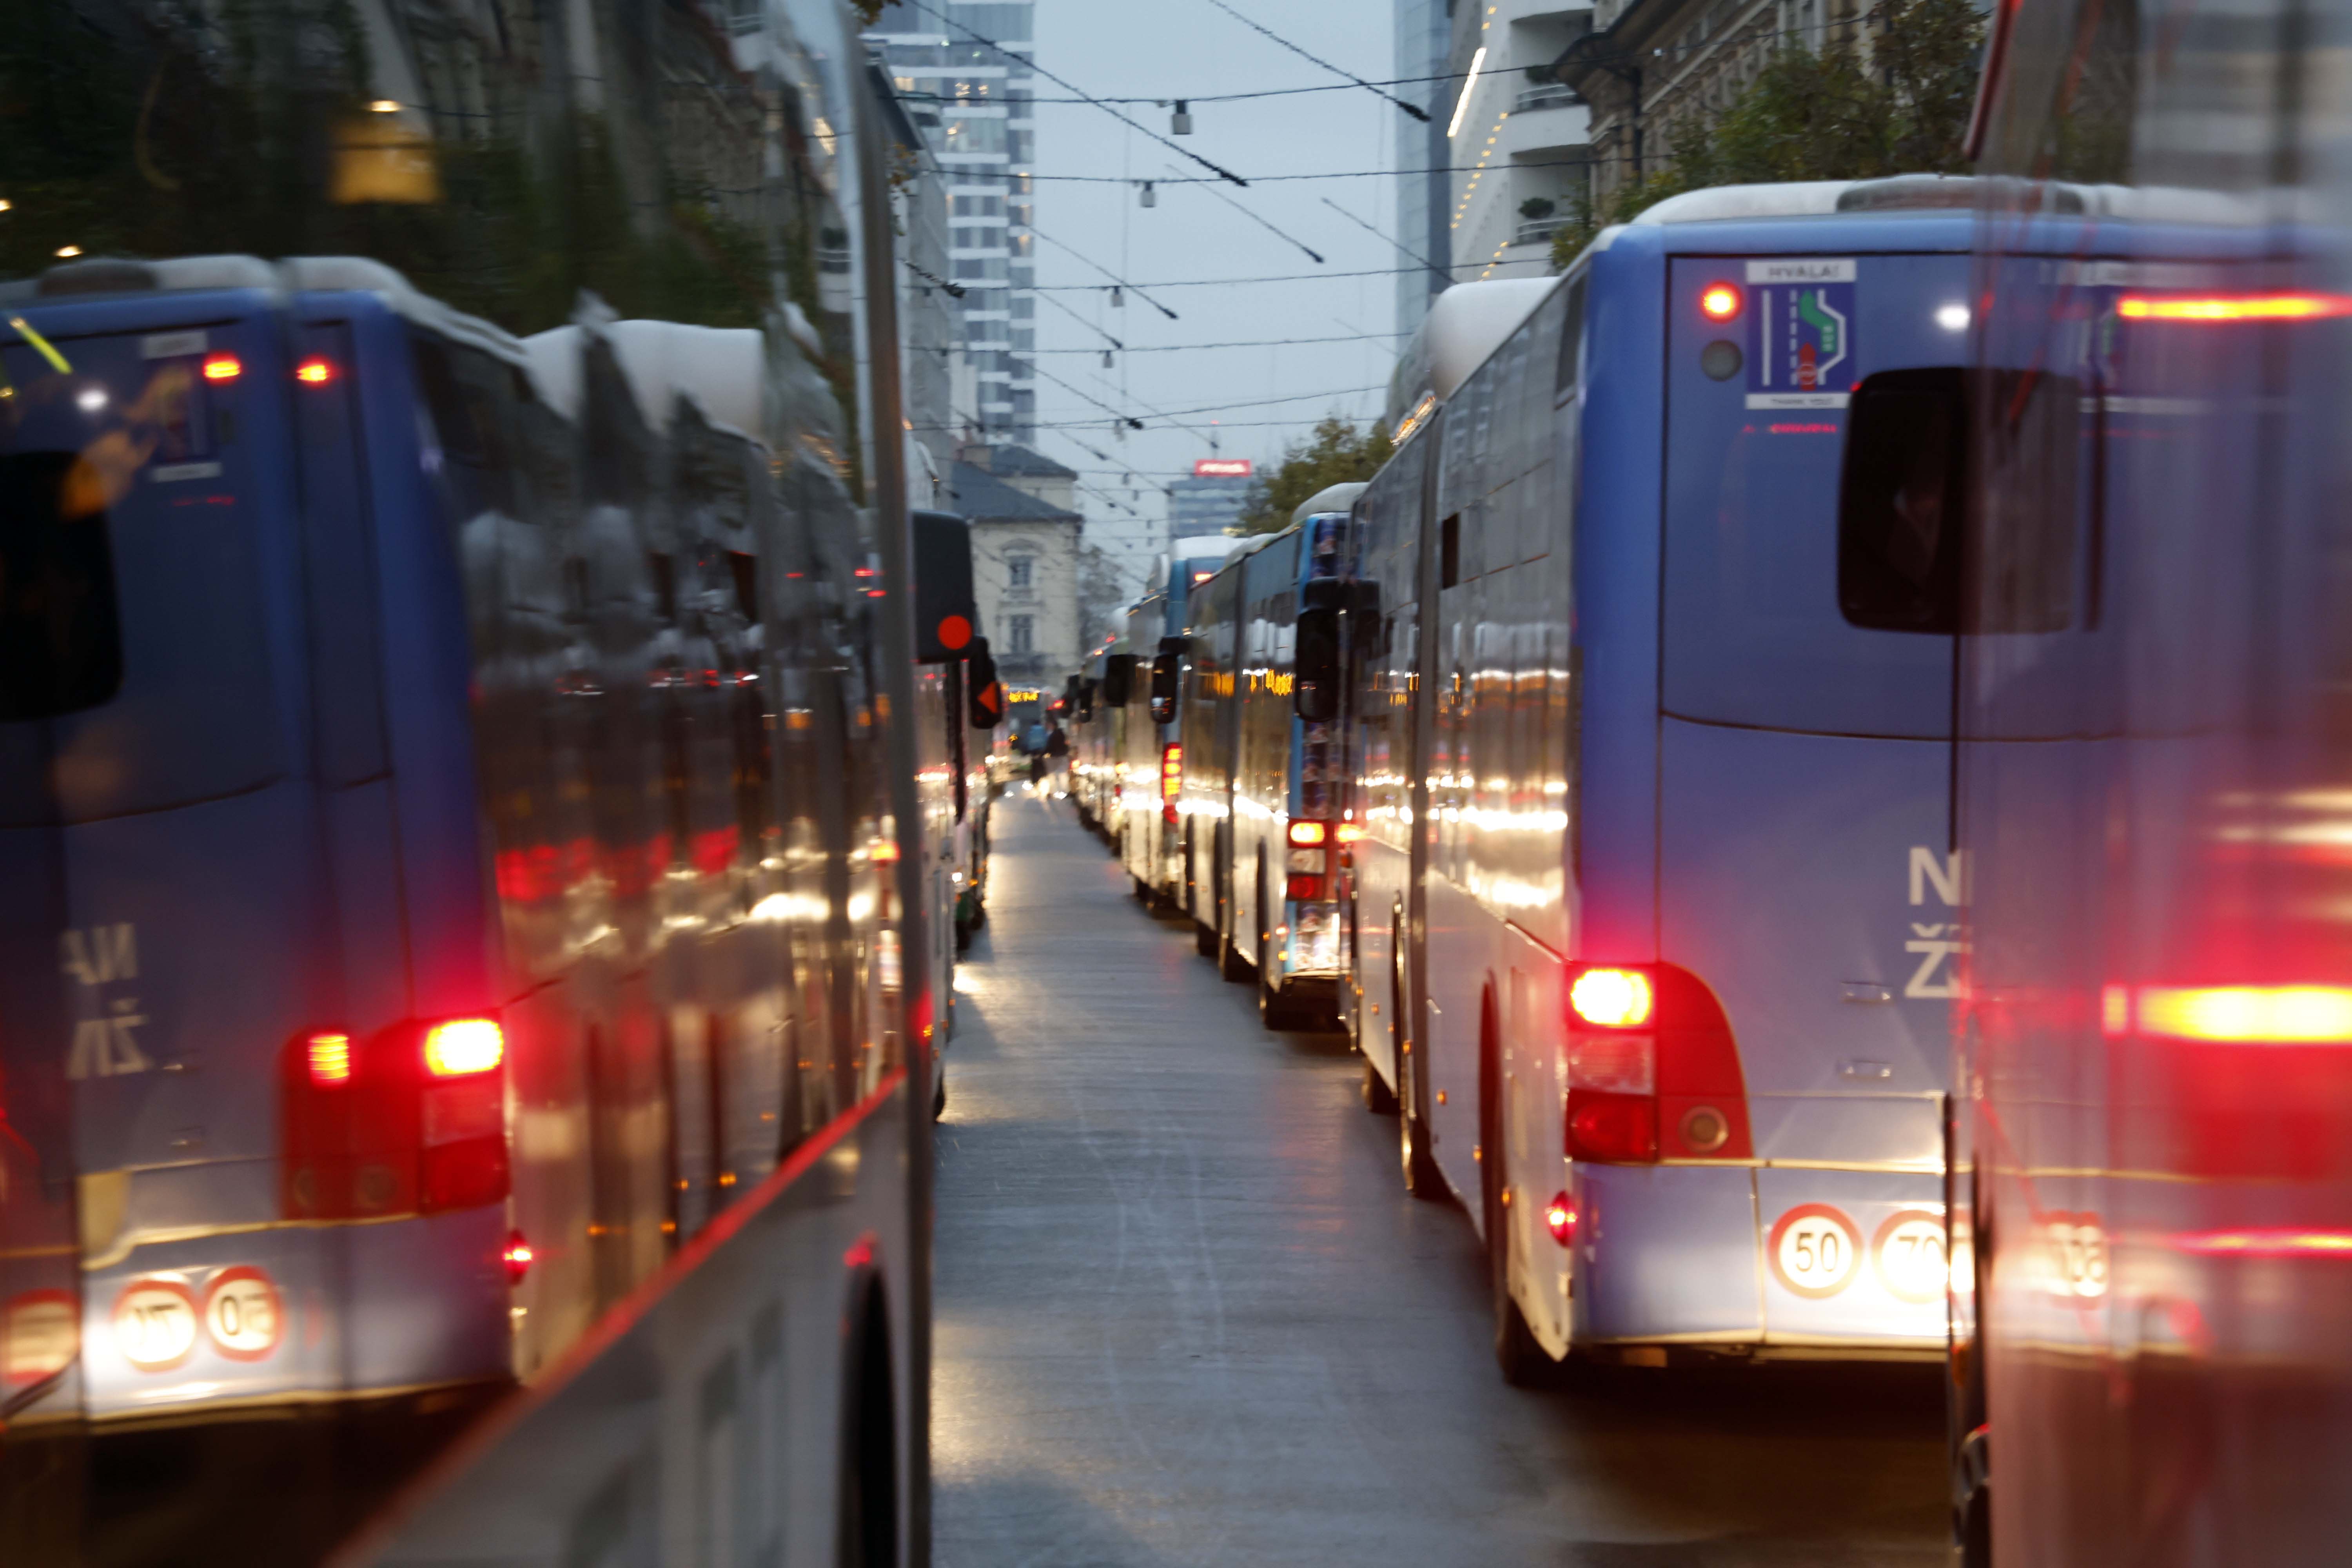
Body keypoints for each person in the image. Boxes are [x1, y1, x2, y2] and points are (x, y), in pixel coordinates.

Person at [1044, 722, 1070, 797]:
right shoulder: (1063, 735)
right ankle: (1066, 792)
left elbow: (1049, 746)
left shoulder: (1052, 736)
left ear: (1053, 726)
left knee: (1052, 775)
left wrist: (1045, 753)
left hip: (1053, 757)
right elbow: (1067, 745)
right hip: (1062, 756)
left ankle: (1052, 792)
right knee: (1063, 775)